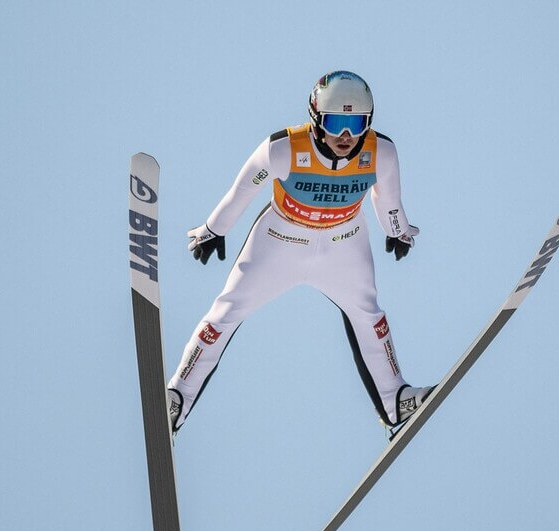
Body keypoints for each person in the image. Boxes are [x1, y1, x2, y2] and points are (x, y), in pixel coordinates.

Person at [166, 70, 432, 436]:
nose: (346, 136)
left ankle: (395, 401)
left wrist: (398, 232)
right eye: (337, 122)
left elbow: (388, 201)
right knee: (224, 314)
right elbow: (241, 192)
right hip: (279, 241)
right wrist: (214, 229)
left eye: (356, 123)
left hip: (344, 244)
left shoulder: (380, 152)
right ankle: (175, 400)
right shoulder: (283, 148)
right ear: (317, 119)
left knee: (371, 318)